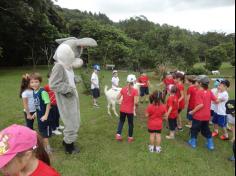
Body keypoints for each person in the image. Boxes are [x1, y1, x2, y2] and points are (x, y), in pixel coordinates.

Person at [188, 76, 218, 150]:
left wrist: (192, 111)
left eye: (197, 82)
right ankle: (210, 144)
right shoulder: (209, 91)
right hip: (207, 115)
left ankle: (193, 142)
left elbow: (201, 105)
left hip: (198, 116)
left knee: (194, 129)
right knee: (206, 129)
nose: (196, 83)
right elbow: (216, 100)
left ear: (200, 83)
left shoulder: (199, 92)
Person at [29, 73, 52, 154]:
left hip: (45, 116)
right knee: (41, 131)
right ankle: (44, 147)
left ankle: (48, 149)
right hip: (39, 115)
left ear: (40, 82)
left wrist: (46, 115)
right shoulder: (34, 92)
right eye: (32, 82)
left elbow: (48, 103)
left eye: (36, 82)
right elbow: (38, 104)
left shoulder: (42, 92)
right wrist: (35, 113)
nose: (34, 84)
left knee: (45, 134)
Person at [116, 74, 139, 143]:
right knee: (130, 124)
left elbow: (117, 98)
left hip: (122, 109)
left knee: (121, 121)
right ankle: (130, 138)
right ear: (134, 82)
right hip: (129, 111)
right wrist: (137, 105)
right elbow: (136, 102)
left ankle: (118, 135)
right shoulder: (135, 91)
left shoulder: (123, 89)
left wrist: (122, 100)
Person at [44, 72, 64, 136]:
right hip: (51, 104)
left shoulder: (56, 85)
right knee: (53, 117)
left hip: (57, 103)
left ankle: (57, 126)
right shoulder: (46, 87)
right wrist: (47, 105)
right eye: (50, 77)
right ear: (48, 78)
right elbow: (45, 96)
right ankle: (54, 129)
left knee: (57, 115)